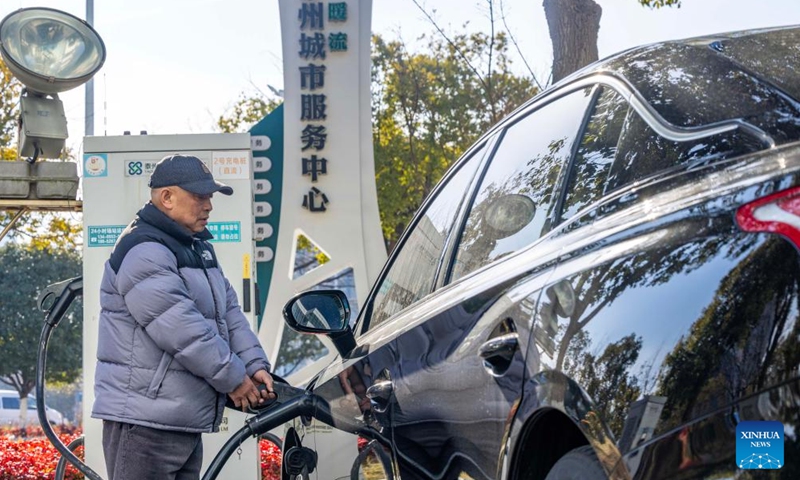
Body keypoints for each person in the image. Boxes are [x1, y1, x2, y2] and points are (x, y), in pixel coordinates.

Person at [92, 154, 275, 480]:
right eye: (200, 196)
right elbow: (182, 328)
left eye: (210, 197)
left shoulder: (197, 249)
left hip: (180, 417)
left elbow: (229, 313)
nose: (209, 206)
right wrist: (234, 378)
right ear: (166, 197)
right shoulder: (143, 248)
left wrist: (253, 365)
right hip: (145, 421)